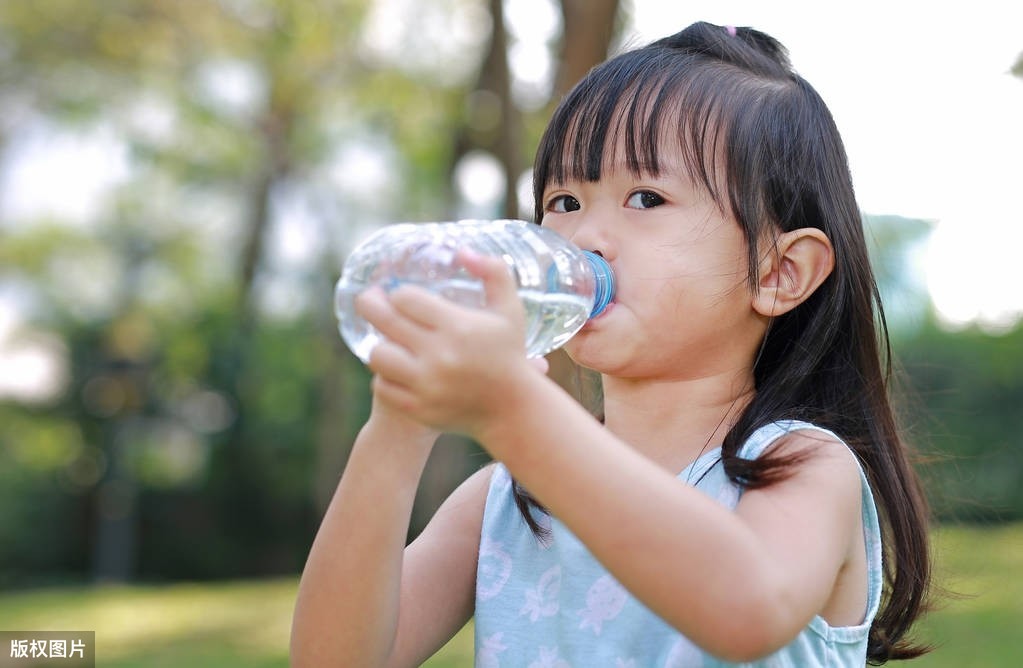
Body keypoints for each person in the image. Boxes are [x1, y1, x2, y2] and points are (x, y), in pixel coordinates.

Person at [291, 20, 932, 667]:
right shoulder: (509, 502)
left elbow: (748, 611)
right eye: (564, 200)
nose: (585, 236)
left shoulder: (799, 467)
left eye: (645, 198)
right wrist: (395, 432)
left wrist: (514, 411)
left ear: (776, 272)